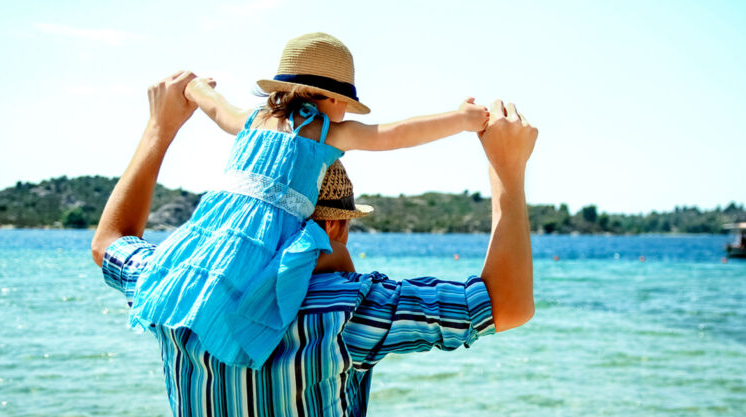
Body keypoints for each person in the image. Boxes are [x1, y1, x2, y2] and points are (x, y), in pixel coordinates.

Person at [91, 70, 538, 416]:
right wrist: (507, 169)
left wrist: (159, 127)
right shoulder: (349, 310)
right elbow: (506, 305)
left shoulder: (172, 287)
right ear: (337, 226)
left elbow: (110, 241)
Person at [129, 32, 490, 369]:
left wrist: (194, 87)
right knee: (325, 263)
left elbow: (217, 108)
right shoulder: (328, 131)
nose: (345, 113)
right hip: (271, 236)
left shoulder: (253, 119)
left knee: (206, 284)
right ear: (332, 99)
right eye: (345, 105)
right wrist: (460, 119)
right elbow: (397, 134)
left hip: (214, 226)